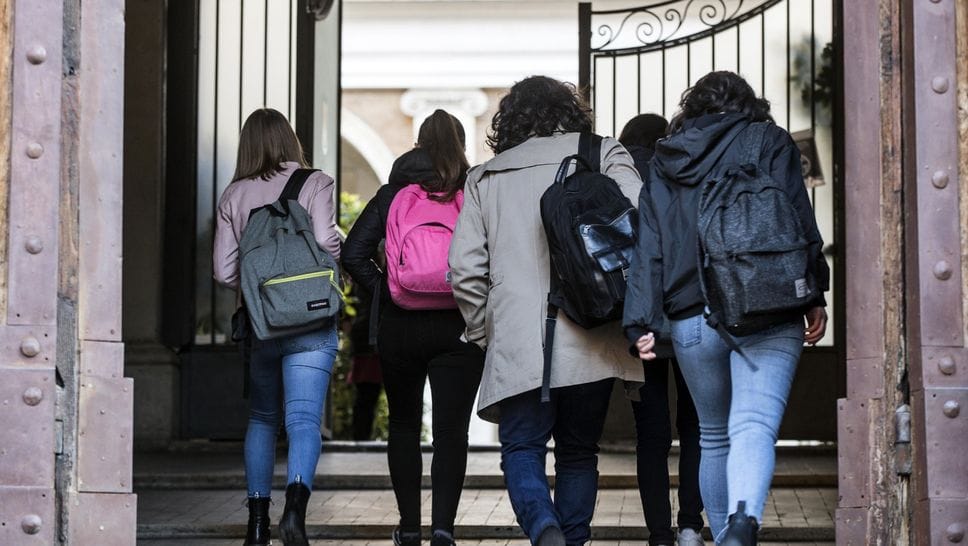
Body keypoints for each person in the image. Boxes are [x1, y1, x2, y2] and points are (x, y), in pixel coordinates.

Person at [623, 71, 829, 546]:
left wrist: (639, 322)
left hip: (691, 313)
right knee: (753, 422)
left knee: (713, 434)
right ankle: (742, 521)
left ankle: (722, 537)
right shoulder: (769, 141)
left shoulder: (666, 158)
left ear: (691, 107)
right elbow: (797, 217)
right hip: (768, 303)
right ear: (748, 103)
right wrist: (813, 289)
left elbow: (648, 247)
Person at [448, 76, 644, 546]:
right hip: (593, 331)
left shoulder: (486, 177)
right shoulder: (603, 153)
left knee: (522, 447)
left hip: (518, 338)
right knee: (579, 452)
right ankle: (572, 540)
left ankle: (544, 528)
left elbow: (464, 269)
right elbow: (642, 226)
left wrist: (485, 330)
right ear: (570, 111)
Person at [341, 109, 486, 546]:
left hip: (400, 326)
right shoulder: (473, 191)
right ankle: (443, 527)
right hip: (459, 325)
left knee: (404, 425)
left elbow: (352, 253)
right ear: (461, 144)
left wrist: (388, 288)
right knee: (450, 432)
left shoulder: (393, 193)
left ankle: (408, 528)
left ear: (418, 144)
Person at [213, 108, 341, 546]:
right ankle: (295, 513)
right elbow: (326, 244)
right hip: (311, 317)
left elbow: (223, 270)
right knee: (304, 419)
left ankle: (256, 525)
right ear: (290, 139)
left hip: (261, 322)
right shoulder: (315, 182)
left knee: (263, 419)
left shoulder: (234, 194)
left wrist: (259, 289)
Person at [618, 114, 705, 546]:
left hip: (642, 322)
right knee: (695, 426)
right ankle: (690, 522)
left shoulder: (617, 173)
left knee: (650, 435)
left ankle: (658, 532)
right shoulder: (690, 173)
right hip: (691, 315)